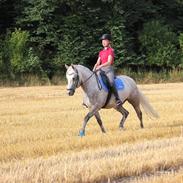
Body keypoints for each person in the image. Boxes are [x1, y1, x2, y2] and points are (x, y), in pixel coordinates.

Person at [93, 33, 122, 107]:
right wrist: (94, 68)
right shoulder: (101, 52)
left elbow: (109, 62)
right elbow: (97, 62)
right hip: (101, 70)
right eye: (102, 40)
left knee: (111, 82)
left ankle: (117, 99)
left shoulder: (110, 51)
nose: (103, 42)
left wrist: (100, 66)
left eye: (105, 40)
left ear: (109, 41)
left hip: (108, 70)